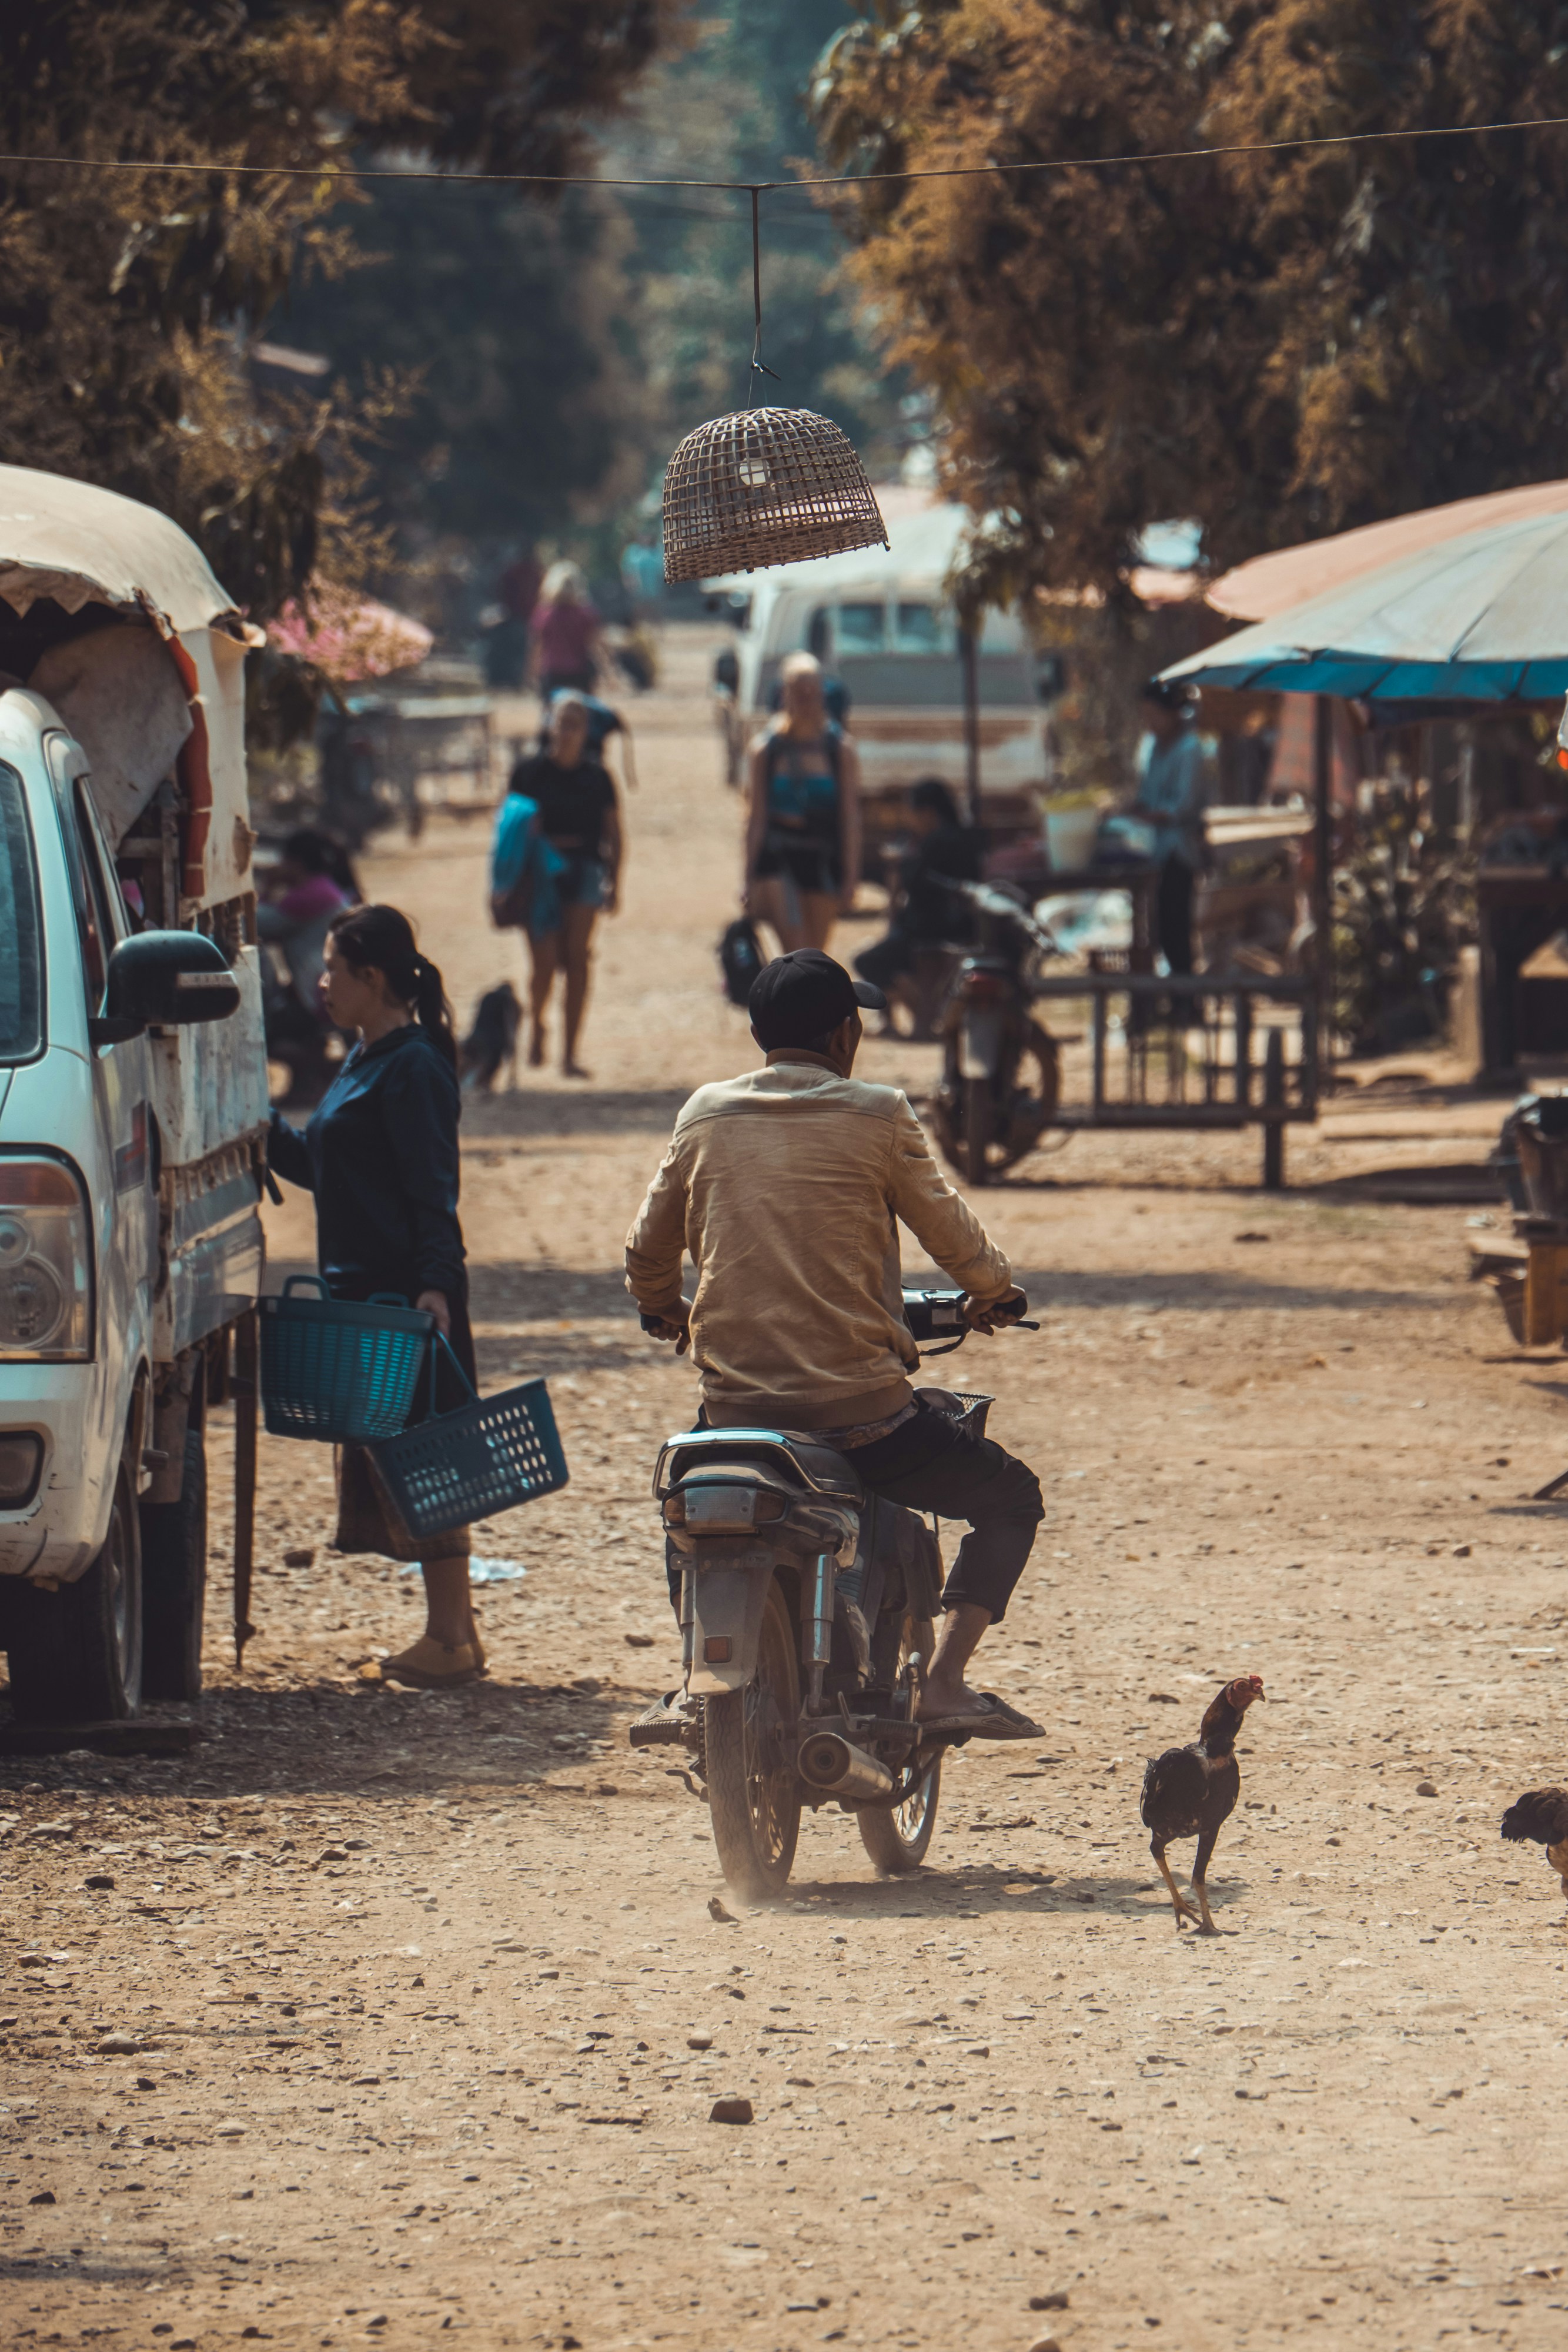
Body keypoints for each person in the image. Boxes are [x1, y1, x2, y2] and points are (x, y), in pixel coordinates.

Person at [625, 948, 1045, 1737]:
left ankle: (693, 1678)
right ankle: (946, 1683)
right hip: (864, 1417)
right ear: (844, 1033)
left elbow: (645, 1251)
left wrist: (665, 1310)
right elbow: (951, 1233)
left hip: (738, 1408)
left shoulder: (704, 1113)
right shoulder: (876, 1113)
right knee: (1010, 1499)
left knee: (689, 1506)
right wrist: (992, 1293)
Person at [268, 904, 484, 1692]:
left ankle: (450, 1638)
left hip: (404, 1291)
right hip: (363, 1291)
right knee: (403, 1456)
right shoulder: (361, 1058)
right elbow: (327, 1167)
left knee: (428, 1459)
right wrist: (257, 1128)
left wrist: (434, 1285)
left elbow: (434, 1187)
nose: (319, 983)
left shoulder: (413, 1065)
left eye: (332, 969)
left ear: (372, 978)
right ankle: (457, 1632)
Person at [506, 691, 623, 1077]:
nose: (569, 730)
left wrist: (615, 883)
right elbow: (508, 831)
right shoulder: (527, 774)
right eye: (563, 721)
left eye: (577, 723)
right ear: (550, 725)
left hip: (585, 870)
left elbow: (614, 833)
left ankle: (569, 1053)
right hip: (538, 875)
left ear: (586, 731)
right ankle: (537, 1021)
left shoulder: (599, 778)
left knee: (577, 960)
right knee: (542, 963)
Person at [744, 652, 861, 953]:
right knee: (795, 952)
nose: (807, 700)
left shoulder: (840, 750)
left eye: (813, 692)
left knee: (815, 956)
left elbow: (849, 817)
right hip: (778, 856)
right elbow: (756, 818)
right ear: (785, 694)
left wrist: (850, 876)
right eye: (800, 692)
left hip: (822, 857)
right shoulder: (766, 751)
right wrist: (748, 878)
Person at [855, 777, 981, 1032]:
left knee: (868, 961)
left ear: (927, 813)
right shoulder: (965, 838)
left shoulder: (934, 843)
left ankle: (922, 1009)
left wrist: (899, 866)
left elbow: (915, 885)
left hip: (929, 931)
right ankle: (912, 1014)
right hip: (960, 927)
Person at [257, 828, 360, 1104]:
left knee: (264, 1034)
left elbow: (257, 924)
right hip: (324, 988)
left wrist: (267, 887)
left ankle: (322, 1073)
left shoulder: (308, 897)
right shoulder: (323, 889)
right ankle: (313, 1078)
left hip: (319, 994)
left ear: (297, 863)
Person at [1130, 677, 1210, 984]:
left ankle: (1186, 1001)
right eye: (1145, 716)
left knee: (1177, 928)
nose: (1149, 723)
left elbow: (1184, 805)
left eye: (1154, 716)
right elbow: (1144, 794)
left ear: (1173, 713)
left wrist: (1152, 816)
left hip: (1180, 850)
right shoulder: (1150, 747)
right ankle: (1169, 996)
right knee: (1157, 929)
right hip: (1152, 852)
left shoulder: (1190, 748)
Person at [530, 560, 602, 698]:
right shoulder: (586, 614)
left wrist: (532, 674)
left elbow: (537, 647)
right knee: (582, 715)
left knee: (551, 716)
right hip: (579, 674)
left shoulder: (543, 615)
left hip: (552, 674)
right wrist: (608, 673)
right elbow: (596, 647)